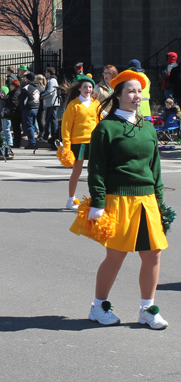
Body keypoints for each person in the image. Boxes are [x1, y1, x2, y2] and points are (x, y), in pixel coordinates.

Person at [70, 69, 169, 330]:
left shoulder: (147, 127)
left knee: (153, 256)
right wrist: (98, 203)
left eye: (139, 91)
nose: (137, 96)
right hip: (119, 200)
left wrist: (159, 202)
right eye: (131, 91)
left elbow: (154, 167)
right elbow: (98, 169)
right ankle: (98, 306)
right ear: (119, 95)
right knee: (116, 256)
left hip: (146, 200)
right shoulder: (106, 128)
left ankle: (147, 309)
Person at [60, 75, 100, 210]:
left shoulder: (96, 104)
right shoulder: (73, 105)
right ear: (79, 88)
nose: (88, 89)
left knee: (95, 172)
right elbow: (66, 127)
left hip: (93, 142)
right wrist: (66, 146)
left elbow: (100, 123)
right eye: (85, 87)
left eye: (90, 87)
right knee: (77, 171)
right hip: (78, 143)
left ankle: (96, 199)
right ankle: (71, 199)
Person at [19, 72, 44, 150]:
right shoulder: (38, 87)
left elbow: (20, 97)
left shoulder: (27, 87)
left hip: (28, 108)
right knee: (32, 125)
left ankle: (32, 143)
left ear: (28, 79)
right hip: (36, 107)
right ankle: (33, 141)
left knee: (29, 126)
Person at [41, 67, 60, 141]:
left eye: (46, 72)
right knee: (49, 119)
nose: (45, 74)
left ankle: (53, 135)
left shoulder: (52, 81)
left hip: (52, 103)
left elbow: (50, 92)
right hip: (51, 103)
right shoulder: (52, 80)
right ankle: (47, 134)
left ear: (49, 73)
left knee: (52, 119)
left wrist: (42, 96)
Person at [6, 79, 22, 148]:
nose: (11, 87)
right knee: (16, 129)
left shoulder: (16, 93)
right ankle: (16, 142)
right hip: (16, 113)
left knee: (16, 129)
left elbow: (14, 103)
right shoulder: (16, 92)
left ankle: (17, 143)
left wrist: (11, 112)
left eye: (11, 86)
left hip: (16, 114)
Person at [0, 85, 14, 156]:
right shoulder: (2, 100)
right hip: (2, 116)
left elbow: (10, 107)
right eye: (1, 92)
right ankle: (6, 142)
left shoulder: (8, 99)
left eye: (3, 93)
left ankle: (10, 142)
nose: (1, 94)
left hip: (6, 116)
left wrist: (7, 112)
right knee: (4, 129)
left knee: (7, 129)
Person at [35, 74, 47, 139]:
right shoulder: (43, 87)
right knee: (40, 119)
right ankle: (41, 132)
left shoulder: (40, 87)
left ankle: (42, 132)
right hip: (42, 104)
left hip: (41, 105)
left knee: (40, 119)